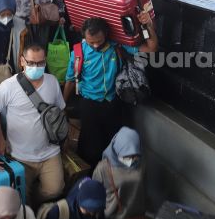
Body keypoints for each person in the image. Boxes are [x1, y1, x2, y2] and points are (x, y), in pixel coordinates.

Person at [63, 16, 157, 168]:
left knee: (113, 144)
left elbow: (151, 48)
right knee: (89, 148)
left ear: (106, 34)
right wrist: (63, 104)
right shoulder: (78, 52)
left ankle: (111, 179)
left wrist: (148, 25)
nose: (94, 45)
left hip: (113, 103)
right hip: (89, 105)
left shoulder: (117, 46)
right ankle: (90, 179)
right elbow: (69, 80)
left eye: (98, 41)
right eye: (90, 42)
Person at [0, 43, 66, 207]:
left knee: (55, 190)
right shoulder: (8, 86)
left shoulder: (52, 82)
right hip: (20, 156)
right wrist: (0, 140)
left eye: (40, 63)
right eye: (31, 63)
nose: (36, 67)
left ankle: (35, 203)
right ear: (22, 61)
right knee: (19, 197)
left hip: (50, 152)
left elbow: (60, 110)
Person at [92, 127, 145, 219]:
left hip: (135, 217)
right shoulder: (103, 168)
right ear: (116, 149)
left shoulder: (140, 163)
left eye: (133, 155)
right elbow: (95, 193)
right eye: (126, 156)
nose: (131, 160)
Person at [40, 179, 109, 219]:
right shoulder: (58, 212)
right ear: (79, 201)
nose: (91, 213)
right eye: (87, 209)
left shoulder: (97, 213)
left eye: (95, 210)